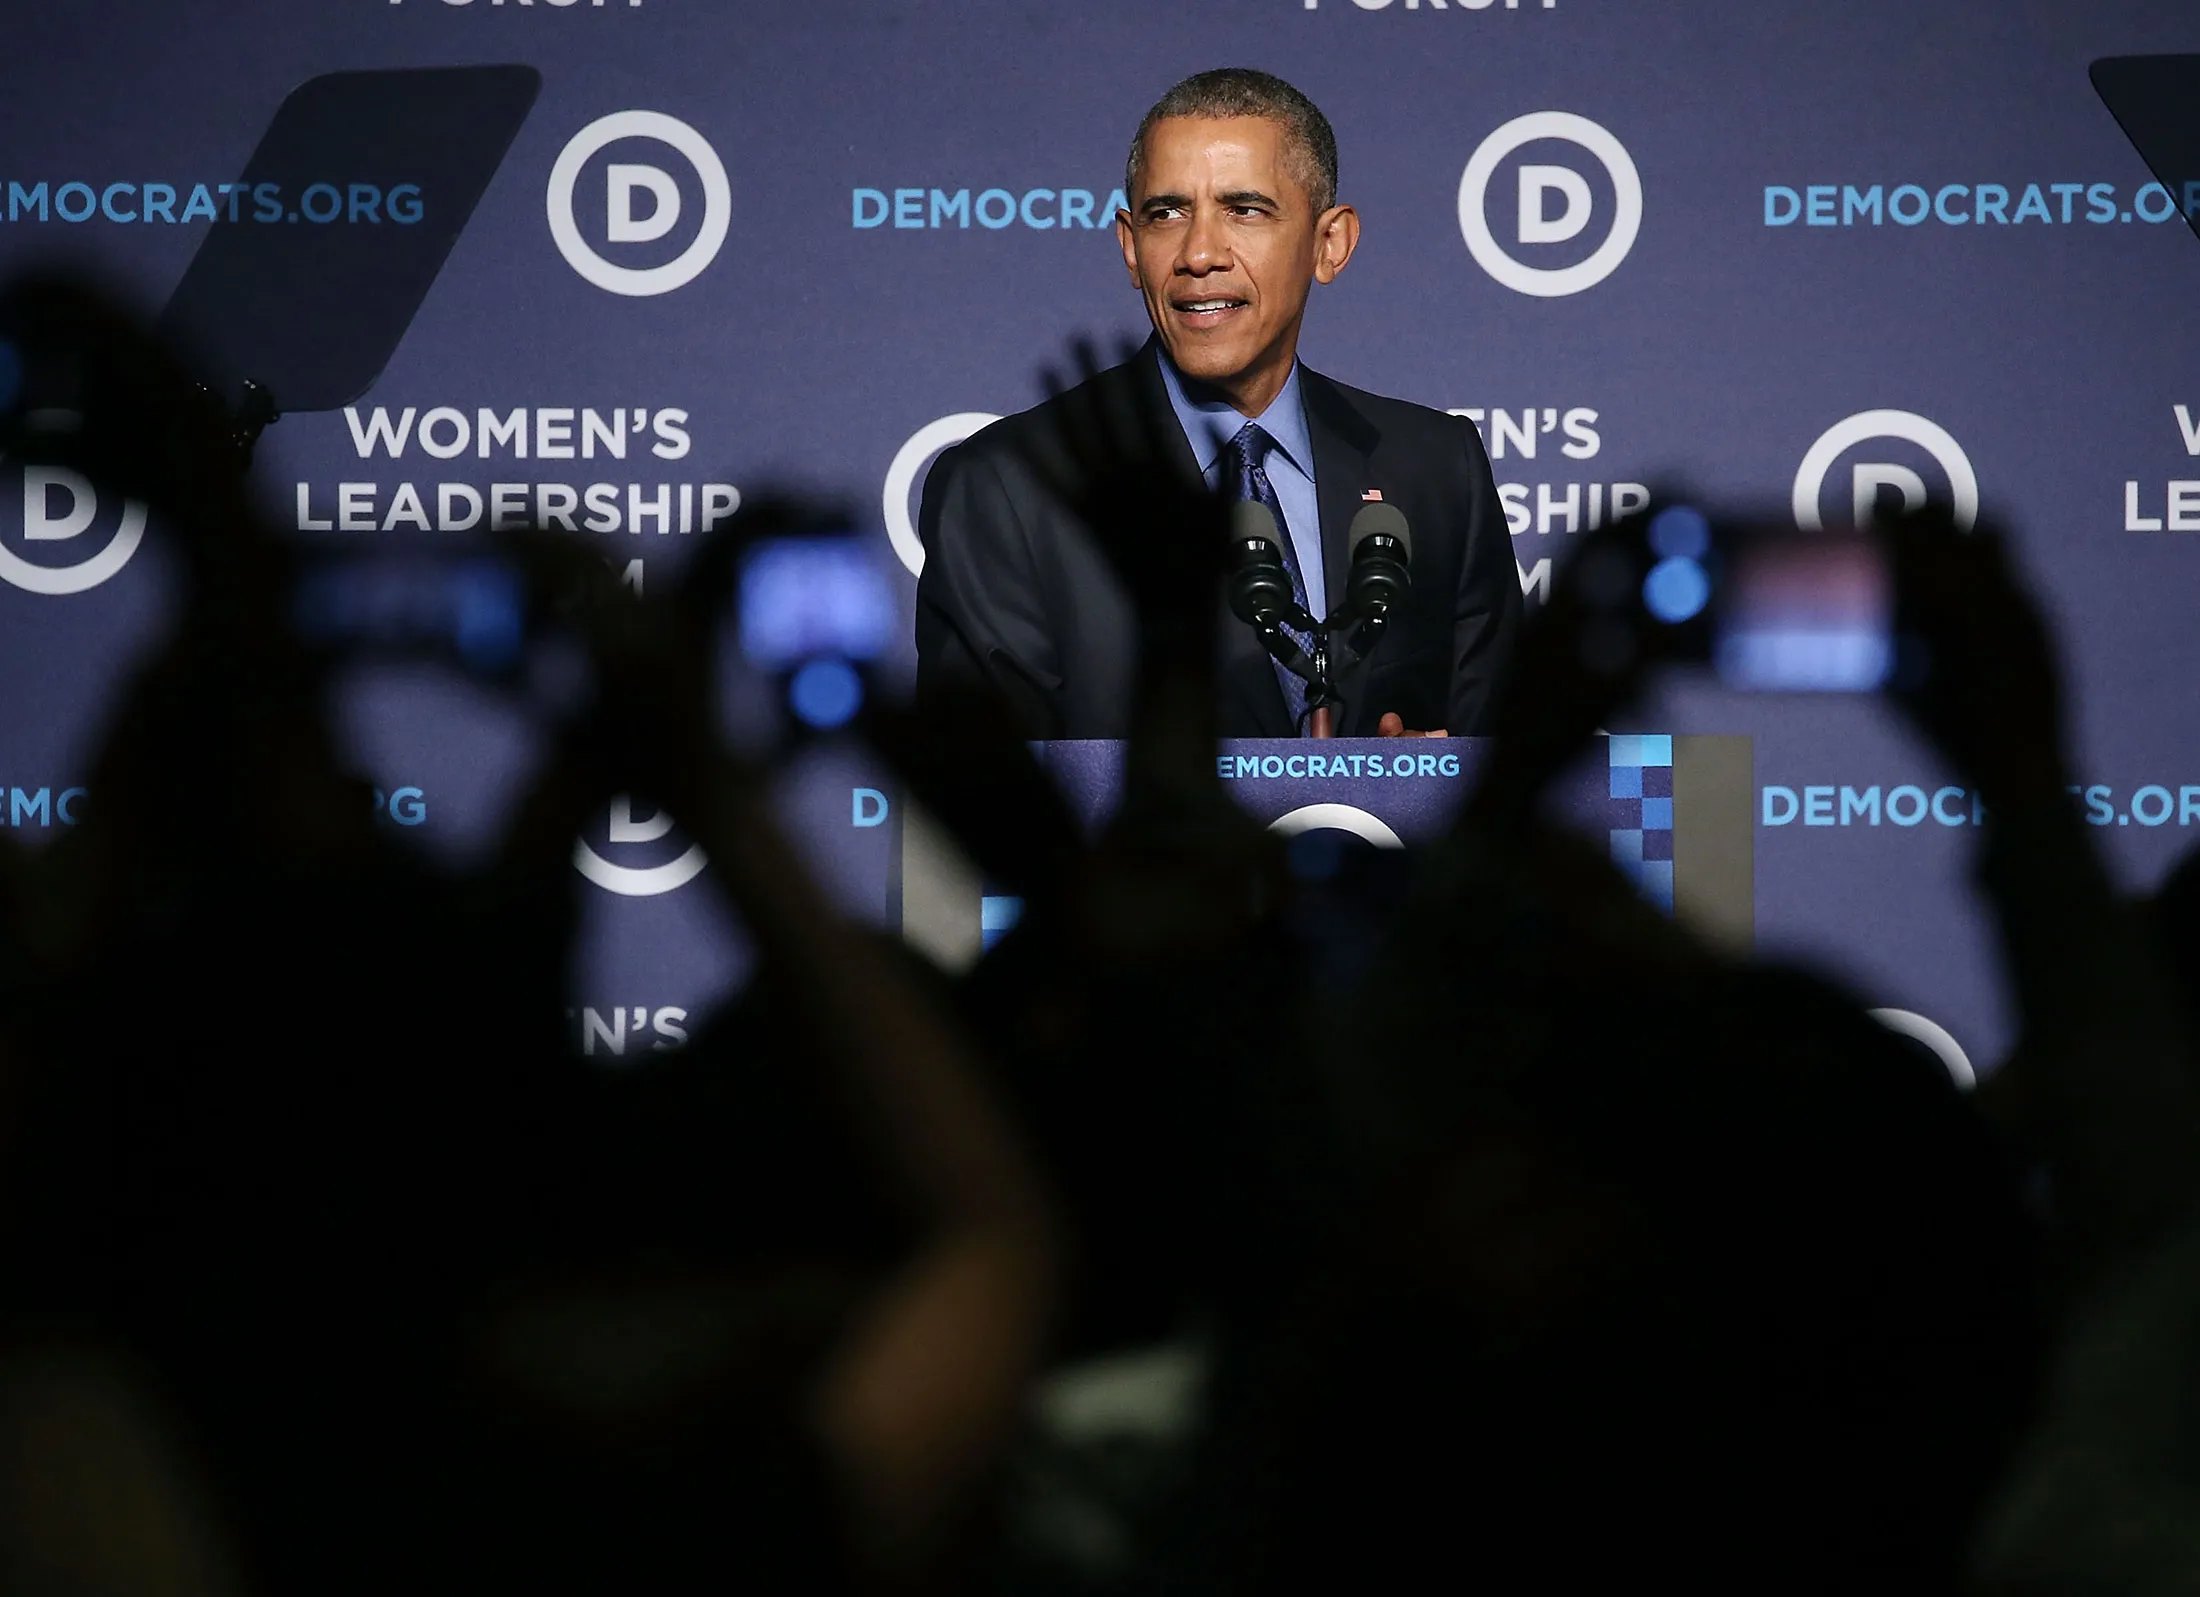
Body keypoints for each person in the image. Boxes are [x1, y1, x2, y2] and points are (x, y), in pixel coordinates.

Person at [915, 68, 1520, 739]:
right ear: (1129, 248)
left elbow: (1516, 776)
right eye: (1166, 213)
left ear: (1330, 244)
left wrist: (1425, 790)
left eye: (1245, 209)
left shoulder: (1437, 468)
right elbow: (983, 807)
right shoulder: (1006, 488)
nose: (1199, 253)